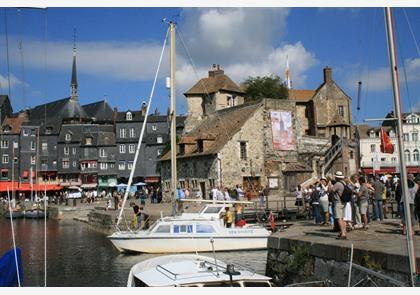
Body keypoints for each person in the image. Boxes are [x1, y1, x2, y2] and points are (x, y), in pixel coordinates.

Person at [329, 171, 347, 239]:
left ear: (336, 177)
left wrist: (330, 184)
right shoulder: (343, 183)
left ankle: (343, 233)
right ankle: (343, 232)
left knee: (339, 218)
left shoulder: (337, 184)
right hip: (343, 202)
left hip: (338, 202)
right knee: (342, 218)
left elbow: (331, 191)